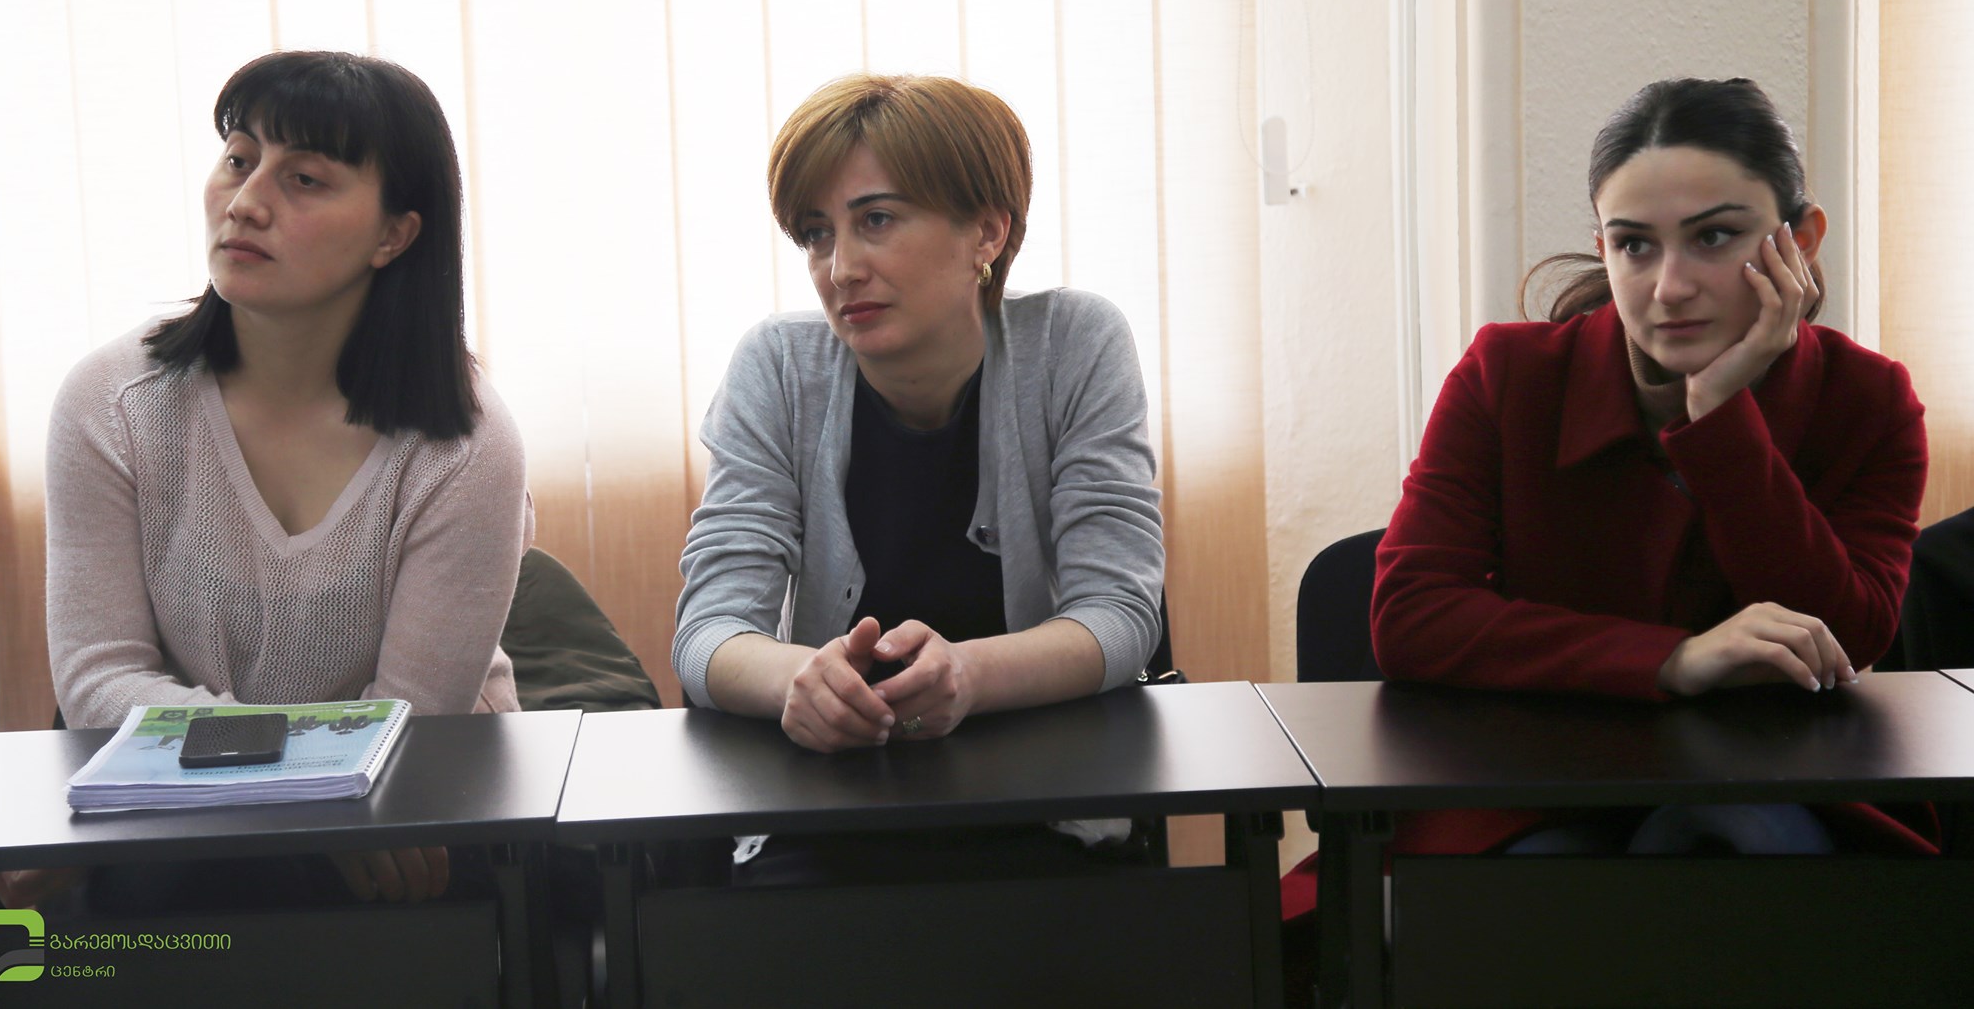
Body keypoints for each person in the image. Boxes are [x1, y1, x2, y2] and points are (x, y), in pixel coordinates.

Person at [1281, 76, 1932, 946]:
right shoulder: (1509, 374)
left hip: (1771, 792)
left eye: (1714, 236)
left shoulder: (1869, 400)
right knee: (1553, 886)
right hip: (1524, 791)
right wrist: (1673, 659)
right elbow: (1411, 615)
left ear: (1800, 241)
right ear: (1603, 247)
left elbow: (1850, 630)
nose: (1669, 286)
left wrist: (1721, 419)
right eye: (1634, 245)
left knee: (1739, 846)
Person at [4, 51, 531, 911]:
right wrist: (293, 793)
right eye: (239, 159)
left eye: (305, 178)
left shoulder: (466, 443)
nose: (245, 202)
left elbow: (412, 719)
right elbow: (99, 679)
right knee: (178, 888)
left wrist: (288, 795)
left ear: (395, 234)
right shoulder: (111, 402)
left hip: (409, 790)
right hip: (186, 799)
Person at [674, 73, 1164, 779]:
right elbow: (706, 633)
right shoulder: (777, 365)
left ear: (987, 232)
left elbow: (1120, 616)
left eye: (876, 219)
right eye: (817, 233)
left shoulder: (1074, 344)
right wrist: (798, 683)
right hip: (826, 794)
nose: (840, 269)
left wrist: (967, 674)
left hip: (1045, 792)